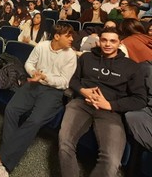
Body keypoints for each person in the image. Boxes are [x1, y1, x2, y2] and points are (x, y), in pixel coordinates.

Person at [0, 24, 77, 177]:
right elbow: (29, 63)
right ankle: (4, 162)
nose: (72, 39)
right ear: (57, 36)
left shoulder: (70, 55)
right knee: (11, 110)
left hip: (53, 91)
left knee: (34, 121)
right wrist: (34, 72)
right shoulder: (42, 46)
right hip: (34, 83)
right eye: (68, 35)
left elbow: (64, 82)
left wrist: (45, 78)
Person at [58, 27, 147, 177]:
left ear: (119, 43)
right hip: (82, 103)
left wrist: (111, 105)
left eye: (112, 41)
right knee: (64, 144)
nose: (107, 44)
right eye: (104, 40)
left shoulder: (131, 67)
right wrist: (82, 90)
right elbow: (74, 81)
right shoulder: (86, 58)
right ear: (99, 41)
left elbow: (140, 99)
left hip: (110, 111)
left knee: (111, 160)